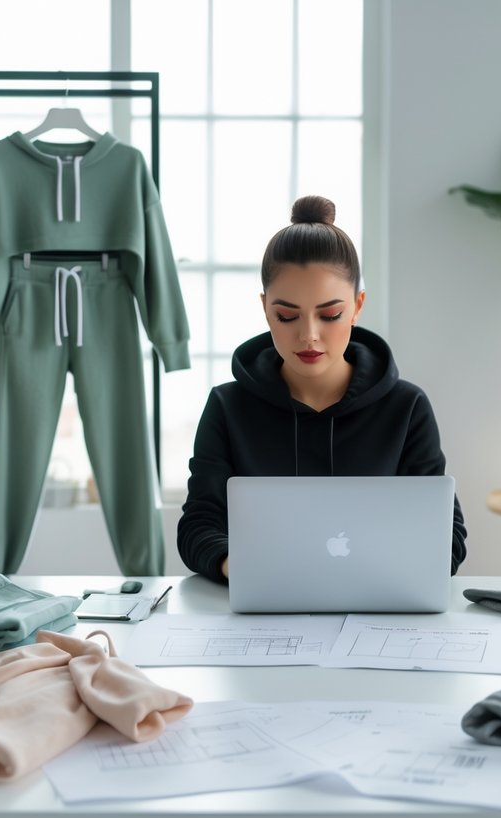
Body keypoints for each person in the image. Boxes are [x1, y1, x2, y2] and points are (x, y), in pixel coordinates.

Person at [178, 195, 468, 582]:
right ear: (265, 309)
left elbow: (448, 538)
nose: (309, 336)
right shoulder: (227, 406)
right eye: (286, 316)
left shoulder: (407, 407)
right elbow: (199, 525)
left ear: (357, 306)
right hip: (261, 610)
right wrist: (241, 568)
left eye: (330, 315)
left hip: (379, 610)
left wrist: (382, 572)